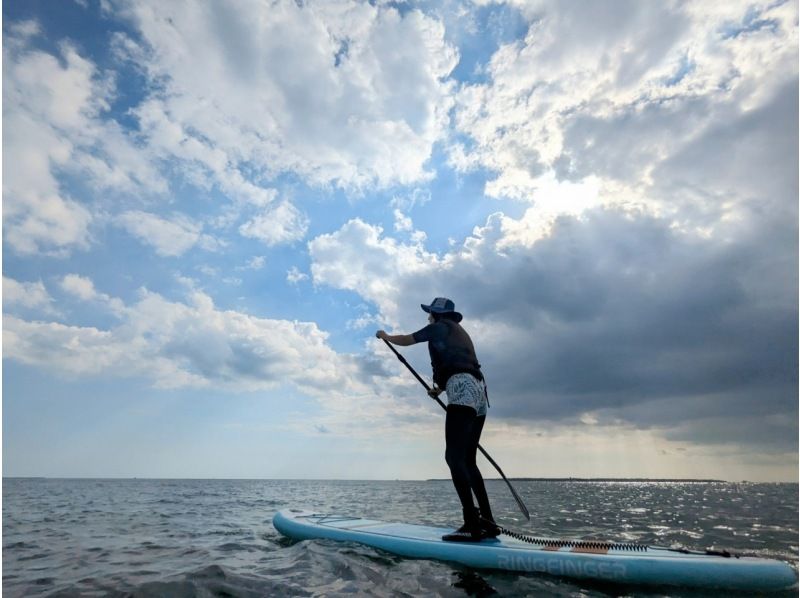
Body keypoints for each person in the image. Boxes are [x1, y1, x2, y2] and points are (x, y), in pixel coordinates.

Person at [376, 297, 499, 542]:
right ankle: (488, 522)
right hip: (478, 392)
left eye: (430, 313)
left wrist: (386, 336)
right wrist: (440, 390)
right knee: (468, 461)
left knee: (453, 458)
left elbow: (409, 339)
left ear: (436, 313)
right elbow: (458, 363)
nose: (428, 316)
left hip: (463, 390)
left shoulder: (439, 327)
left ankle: (472, 524)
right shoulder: (458, 332)